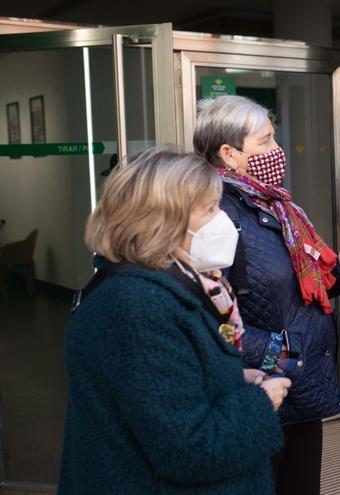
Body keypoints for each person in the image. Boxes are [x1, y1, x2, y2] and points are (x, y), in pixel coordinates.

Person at [59, 148, 291, 494]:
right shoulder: (138, 307)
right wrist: (261, 402)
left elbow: (155, 390)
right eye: (210, 209)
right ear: (164, 219)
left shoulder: (143, 287)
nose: (221, 219)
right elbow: (189, 449)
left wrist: (227, 377)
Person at [193, 95, 340, 495]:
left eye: (274, 138)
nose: (277, 151)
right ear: (229, 153)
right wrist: (284, 357)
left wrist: (339, 275)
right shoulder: (214, 217)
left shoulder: (275, 206)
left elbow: (286, 289)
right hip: (257, 393)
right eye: (264, 141)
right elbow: (210, 317)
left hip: (298, 389)